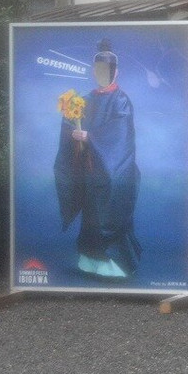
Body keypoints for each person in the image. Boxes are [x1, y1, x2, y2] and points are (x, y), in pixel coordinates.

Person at [54, 39, 142, 279]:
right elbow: (73, 131)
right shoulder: (86, 99)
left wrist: (90, 136)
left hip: (114, 171)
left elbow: (121, 136)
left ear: (116, 72)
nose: (102, 74)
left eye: (108, 70)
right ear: (94, 71)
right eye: (99, 70)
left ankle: (115, 263)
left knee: (110, 215)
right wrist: (73, 131)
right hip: (90, 170)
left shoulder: (121, 100)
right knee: (91, 216)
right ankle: (90, 258)